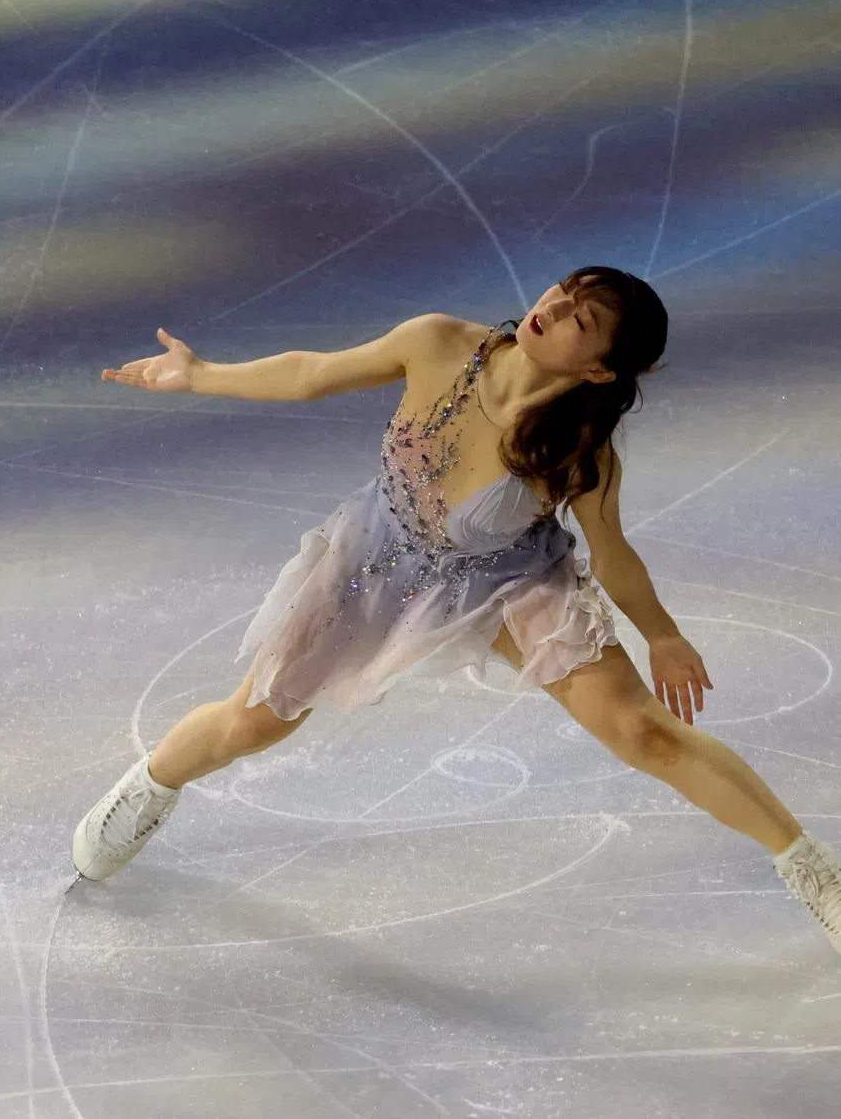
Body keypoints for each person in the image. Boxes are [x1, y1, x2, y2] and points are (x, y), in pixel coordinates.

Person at [71, 266, 840, 954]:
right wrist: (202, 374)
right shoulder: (437, 342)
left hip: (510, 582)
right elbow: (312, 374)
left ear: (602, 368)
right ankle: (152, 783)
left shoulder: (579, 450)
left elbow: (611, 554)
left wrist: (663, 635)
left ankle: (813, 872)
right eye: (563, 292)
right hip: (382, 563)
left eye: (581, 318)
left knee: (642, 730)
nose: (554, 308)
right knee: (253, 722)